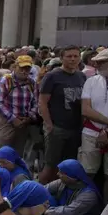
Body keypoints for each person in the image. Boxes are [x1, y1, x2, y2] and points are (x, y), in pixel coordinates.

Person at [38, 45, 86, 184]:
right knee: (51, 166)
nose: (72, 59)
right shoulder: (52, 76)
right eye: (69, 56)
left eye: (76, 56)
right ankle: (39, 195)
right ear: (62, 58)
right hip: (57, 127)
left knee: (69, 166)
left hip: (75, 128)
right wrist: (49, 125)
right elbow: (43, 102)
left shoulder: (81, 76)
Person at [80, 48, 108, 204]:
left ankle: (105, 212)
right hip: (91, 133)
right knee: (86, 173)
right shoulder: (91, 81)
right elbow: (85, 109)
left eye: (102, 62)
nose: (96, 64)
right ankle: (82, 206)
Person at [38, 159, 102, 215]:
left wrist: (47, 211)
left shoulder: (89, 195)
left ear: (71, 177)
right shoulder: (62, 183)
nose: (58, 174)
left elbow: (70, 212)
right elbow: (42, 190)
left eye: (61, 173)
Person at [0, 55, 38, 155]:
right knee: (3, 153)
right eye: (21, 68)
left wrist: (29, 117)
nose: (24, 71)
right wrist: (13, 119)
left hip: (24, 122)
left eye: (27, 68)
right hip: (6, 122)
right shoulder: (5, 80)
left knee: (18, 154)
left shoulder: (32, 82)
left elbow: (35, 102)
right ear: (15, 67)